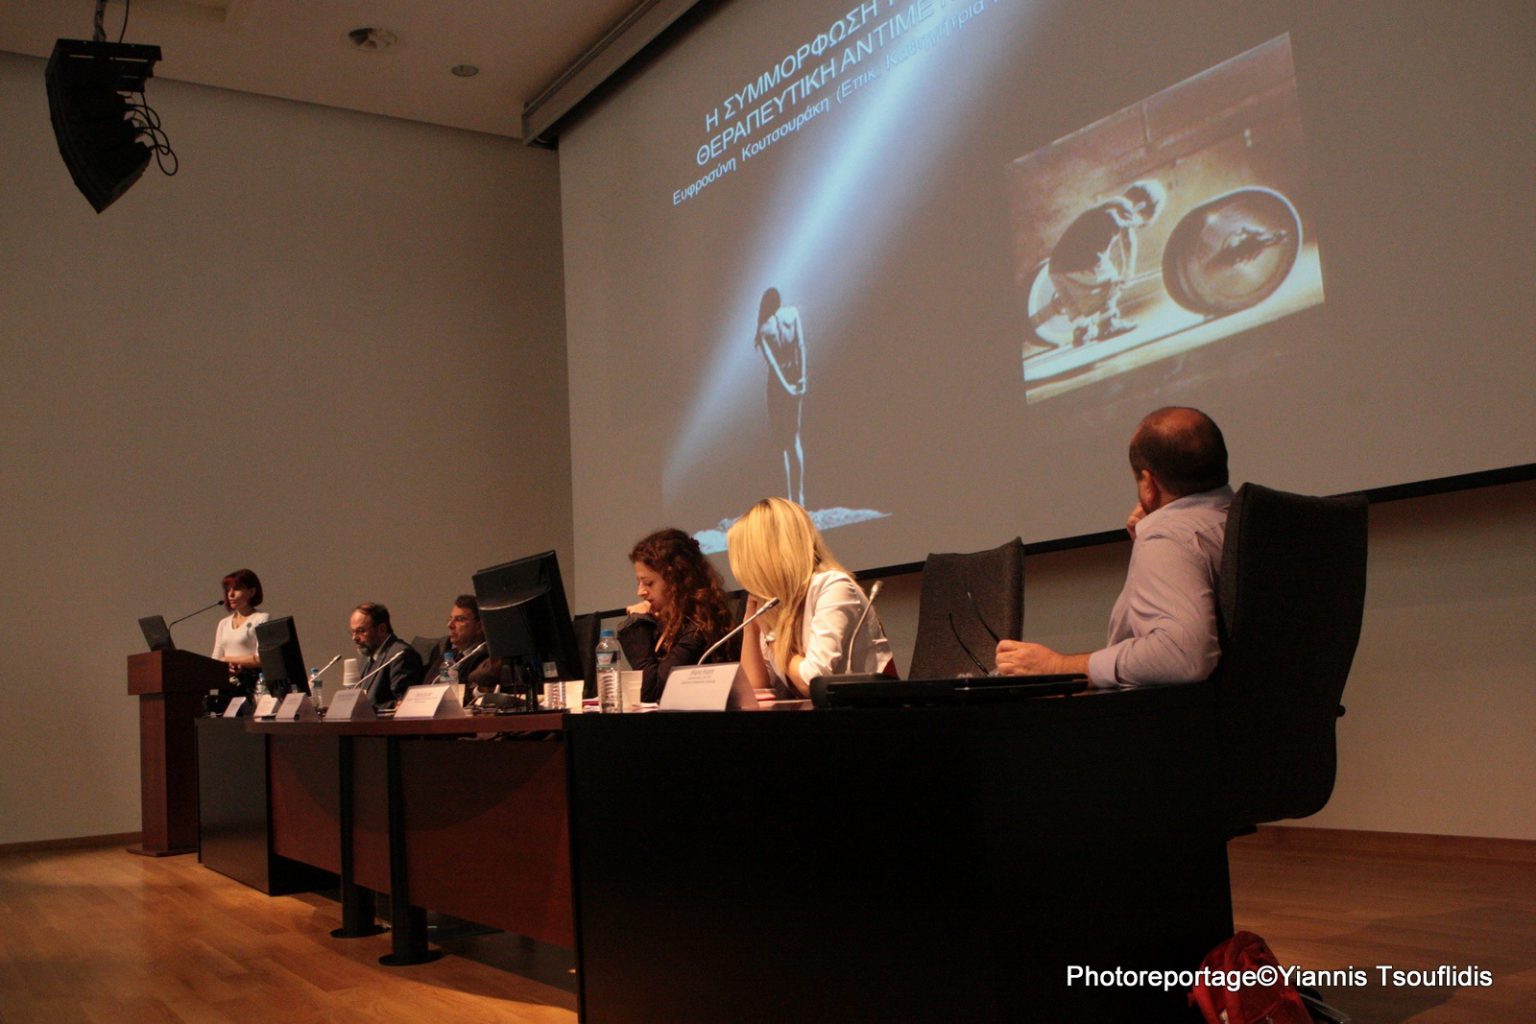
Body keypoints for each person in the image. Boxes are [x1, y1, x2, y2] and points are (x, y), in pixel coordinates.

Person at [995, 406, 1231, 687]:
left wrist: (1059, 666)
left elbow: (1184, 655)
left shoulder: (1169, 538)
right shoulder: (1240, 521)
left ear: (1149, 484)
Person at [727, 497, 892, 698]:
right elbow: (755, 687)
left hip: (872, 710)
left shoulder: (834, 586)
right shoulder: (775, 603)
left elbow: (813, 682)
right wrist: (751, 626)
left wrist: (773, 637)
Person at [617, 528, 739, 704]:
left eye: (648, 583)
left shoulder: (698, 629)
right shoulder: (665, 624)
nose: (640, 592)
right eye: (639, 583)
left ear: (676, 580)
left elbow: (651, 692)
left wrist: (637, 628)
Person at [1047, 179, 1166, 346]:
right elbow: (1129, 241)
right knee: (1112, 280)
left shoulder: (1106, 207)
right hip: (1080, 261)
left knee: (1070, 300)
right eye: (1141, 220)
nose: (1137, 224)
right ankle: (1109, 323)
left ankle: (1082, 330)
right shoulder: (1125, 208)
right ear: (1140, 206)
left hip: (1055, 267)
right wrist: (1128, 271)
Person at [755, 287, 807, 506]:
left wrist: (786, 388)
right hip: (794, 376)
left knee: (782, 444)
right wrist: (802, 378)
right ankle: (800, 497)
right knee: (794, 440)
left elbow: (774, 366)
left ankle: (790, 500)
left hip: (778, 386)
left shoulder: (764, 328)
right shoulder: (793, 313)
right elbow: (801, 346)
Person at [349, 602, 425, 708]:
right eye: (353, 632)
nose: (354, 638)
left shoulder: (401, 656)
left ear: (382, 630)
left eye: (361, 631)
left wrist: (368, 708)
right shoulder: (368, 657)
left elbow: (403, 704)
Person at [211, 568, 269, 694]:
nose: (230, 594)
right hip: (227, 687)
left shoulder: (261, 618)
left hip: (253, 685)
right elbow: (215, 660)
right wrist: (226, 665)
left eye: (236, 589)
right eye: (228, 590)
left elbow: (262, 658)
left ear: (252, 592)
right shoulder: (224, 623)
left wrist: (227, 659)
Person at [422, 595, 491, 699]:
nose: (450, 625)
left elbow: (466, 695)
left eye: (459, 619)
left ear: (479, 627)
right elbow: (425, 689)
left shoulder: (487, 659)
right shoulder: (447, 657)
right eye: (450, 619)